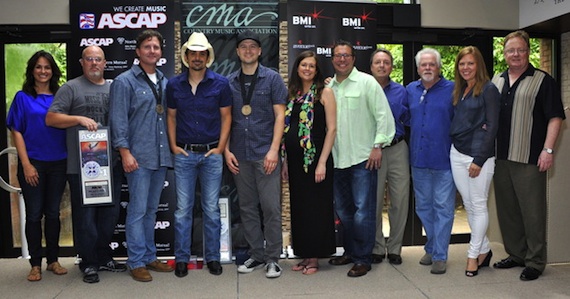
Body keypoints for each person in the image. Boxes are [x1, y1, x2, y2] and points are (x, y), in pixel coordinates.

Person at [46, 46, 126, 283]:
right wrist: (78, 118)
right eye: (89, 59)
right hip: (83, 168)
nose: (94, 63)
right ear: (82, 62)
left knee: (109, 216)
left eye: (98, 59)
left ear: (105, 63)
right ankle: (88, 263)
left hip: (111, 164)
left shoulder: (115, 88)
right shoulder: (71, 88)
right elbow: (51, 118)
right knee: (86, 218)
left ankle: (103, 256)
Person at [491, 30, 565, 281]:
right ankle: (517, 254)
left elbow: (555, 117)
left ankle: (535, 261)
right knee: (508, 211)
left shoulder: (543, 80)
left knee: (532, 212)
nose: (515, 54)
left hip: (531, 158)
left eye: (520, 50)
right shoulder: (497, 80)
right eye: (510, 50)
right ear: (504, 53)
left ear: (527, 51)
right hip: (500, 156)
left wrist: (548, 150)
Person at [109, 29, 174, 282]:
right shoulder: (125, 81)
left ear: (160, 52)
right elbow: (118, 121)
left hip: (159, 157)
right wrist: (124, 152)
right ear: (138, 52)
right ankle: (135, 261)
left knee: (150, 210)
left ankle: (149, 256)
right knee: (136, 211)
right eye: (147, 47)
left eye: (156, 47)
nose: (152, 51)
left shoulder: (164, 81)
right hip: (137, 156)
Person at [166, 32, 232, 278]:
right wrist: (173, 146)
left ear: (207, 57)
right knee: (183, 210)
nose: (196, 57)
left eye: (201, 53)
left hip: (211, 155)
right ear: (186, 56)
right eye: (192, 53)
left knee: (211, 209)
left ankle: (212, 257)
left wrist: (220, 148)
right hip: (184, 154)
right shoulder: (174, 85)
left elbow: (227, 117)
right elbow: (171, 117)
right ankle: (181, 258)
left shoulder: (221, 84)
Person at [327, 40, 395, 278]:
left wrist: (378, 145)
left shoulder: (367, 83)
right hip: (337, 159)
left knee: (363, 212)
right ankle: (350, 251)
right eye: (338, 56)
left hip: (362, 159)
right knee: (344, 211)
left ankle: (363, 258)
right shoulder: (329, 87)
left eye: (346, 55)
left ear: (353, 59)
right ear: (332, 59)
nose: (342, 59)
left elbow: (384, 117)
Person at [225, 30, 287, 279]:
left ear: (260, 51)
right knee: (248, 208)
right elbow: (226, 119)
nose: (248, 50)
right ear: (238, 52)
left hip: (265, 154)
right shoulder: (229, 82)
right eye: (244, 47)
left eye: (253, 46)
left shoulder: (272, 79)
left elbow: (280, 116)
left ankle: (273, 258)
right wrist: (226, 150)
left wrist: (274, 150)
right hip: (240, 154)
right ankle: (256, 254)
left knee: (271, 208)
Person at [7, 50, 67, 282]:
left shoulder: (61, 96)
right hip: (33, 163)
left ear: (53, 71)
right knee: (33, 215)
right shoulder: (22, 97)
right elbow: (17, 131)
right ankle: (35, 264)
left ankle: (53, 261)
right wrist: (26, 164)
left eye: (47, 67)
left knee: (53, 214)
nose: (43, 71)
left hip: (59, 162)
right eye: (39, 67)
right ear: (32, 70)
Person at [281, 50, 337, 275]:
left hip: (316, 161)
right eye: (303, 65)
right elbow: (288, 131)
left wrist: (322, 162)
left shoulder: (325, 93)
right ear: (297, 68)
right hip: (295, 162)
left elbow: (331, 129)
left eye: (311, 66)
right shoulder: (292, 94)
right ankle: (304, 254)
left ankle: (314, 258)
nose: (307, 69)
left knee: (316, 209)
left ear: (317, 70)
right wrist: (285, 162)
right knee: (300, 209)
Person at [449, 46, 500, 277]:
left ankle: (472, 256)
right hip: (457, 153)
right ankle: (485, 250)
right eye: (462, 64)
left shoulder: (488, 89)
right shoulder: (461, 89)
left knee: (478, 205)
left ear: (478, 65)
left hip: (479, 156)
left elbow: (492, 127)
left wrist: (479, 159)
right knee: (469, 205)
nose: (466, 68)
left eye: (470, 63)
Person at [406, 48, 455, 275]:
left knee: (443, 208)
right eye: (423, 65)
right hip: (418, 160)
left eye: (431, 64)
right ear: (417, 68)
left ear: (439, 67)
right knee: (424, 207)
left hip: (444, 160)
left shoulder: (453, 89)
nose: (427, 68)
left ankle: (439, 256)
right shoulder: (409, 90)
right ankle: (432, 246)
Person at [369, 48, 410, 266]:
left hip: (397, 149)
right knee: (374, 202)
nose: (382, 66)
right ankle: (376, 247)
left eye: (386, 62)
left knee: (400, 201)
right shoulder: (365, 89)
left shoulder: (401, 91)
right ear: (371, 66)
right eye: (378, 62)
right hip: (372, 152)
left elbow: (407, 118)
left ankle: (395, 248)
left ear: (391, 67)